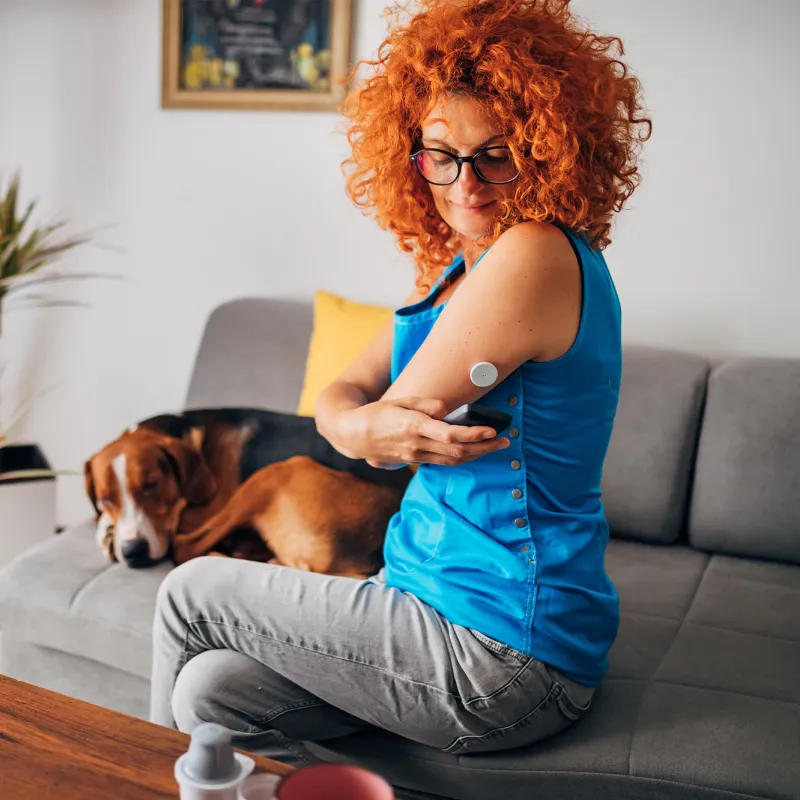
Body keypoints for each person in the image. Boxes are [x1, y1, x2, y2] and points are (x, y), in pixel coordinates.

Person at [150, 0, 652, 770]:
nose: (466, 184)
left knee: (191, 591)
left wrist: (359, 425)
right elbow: (346, 394)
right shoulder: (464, 271)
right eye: (440, 154)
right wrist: (354, 423)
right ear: (410, 153)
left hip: (502, 648)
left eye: (497, 153)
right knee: (213, 691)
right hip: (413, 600)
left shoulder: (536, 255)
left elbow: (383, 432)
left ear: (554, 149)